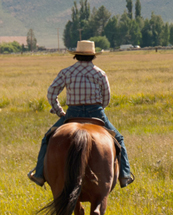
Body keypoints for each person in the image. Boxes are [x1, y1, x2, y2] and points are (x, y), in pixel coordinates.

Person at [28, 40, 134, 188]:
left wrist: (60, 111)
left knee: (47, 139)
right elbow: (106, 98)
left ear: (76, 55)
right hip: (96, 113)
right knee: (119, 139)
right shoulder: (100, 73)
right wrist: (97, 109)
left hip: (72, 113)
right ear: (93, 56)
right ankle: (125, 175)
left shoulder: (66, 72)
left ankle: (39, 175)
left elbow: (51, 93)